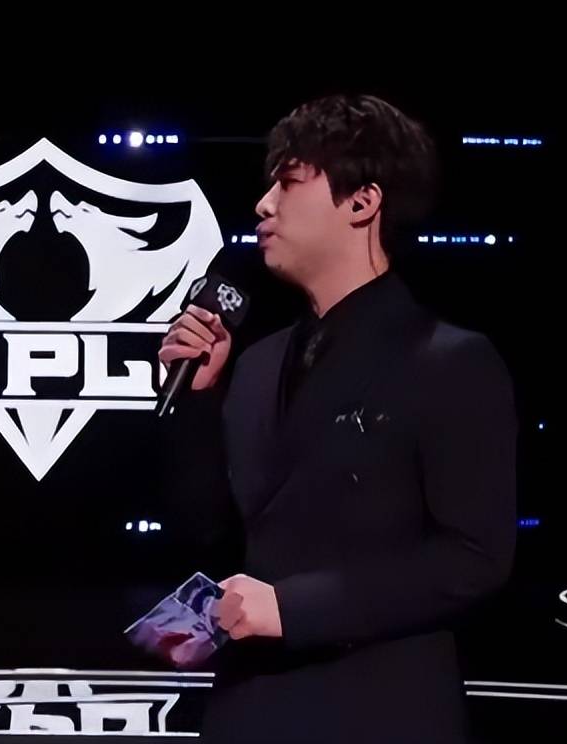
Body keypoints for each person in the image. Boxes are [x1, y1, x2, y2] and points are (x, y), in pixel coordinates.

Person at [159, 95, 516, 743]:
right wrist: (198, 401)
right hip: (248, 710)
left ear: (362, 202)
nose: (263, 205)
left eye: (288, 182)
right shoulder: (258, 363)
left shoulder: (449, 361)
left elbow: (474, 559)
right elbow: (210, 535)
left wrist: (293, 607)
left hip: (379, 712)